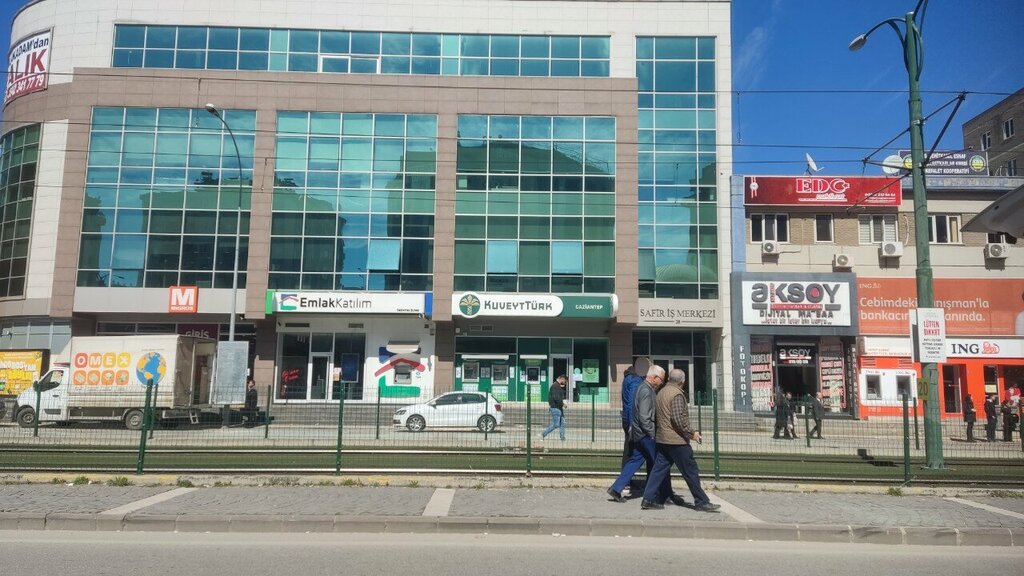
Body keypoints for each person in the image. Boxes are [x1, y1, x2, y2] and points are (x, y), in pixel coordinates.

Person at [640, 368, 720, 512]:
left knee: (658, 470)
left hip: (662, 438)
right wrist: (692, 433)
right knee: (690, 471)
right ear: (683, 382)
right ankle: (701, 501)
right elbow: (678, 418)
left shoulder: (661, 392)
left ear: (669, 378)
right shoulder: (676, 394)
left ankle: (648, 498)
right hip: (676, 441)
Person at [607, 364, 675, 505]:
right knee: (660, 463)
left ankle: (616, 488)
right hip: (646, 435)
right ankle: (662, 495)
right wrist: (652, 434)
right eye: (661, 380)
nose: (662, 383)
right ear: (655, 378)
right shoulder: (646, 390)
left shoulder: (642, 387)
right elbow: (644, 417)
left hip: (639, 434)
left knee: (635, 461)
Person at [620, 366, 644, 466]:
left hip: (627, 417)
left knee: (629, 450)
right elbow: (632, 403)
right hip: (633, 420)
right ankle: (626, 478)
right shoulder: (635, 380)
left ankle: (625, 479)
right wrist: (631, 424)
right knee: (632, 450)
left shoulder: (627, 378)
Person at [541, 374, 567, 441]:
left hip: (558, 408)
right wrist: (563, 404)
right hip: (555, 407)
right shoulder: (555, 386)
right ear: (562, 379)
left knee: (562, 423)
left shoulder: (557, 386)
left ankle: (562, 438)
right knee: (555, 424)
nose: (565, 383)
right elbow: (556, 397)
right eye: (565, 381)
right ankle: (543, 434)